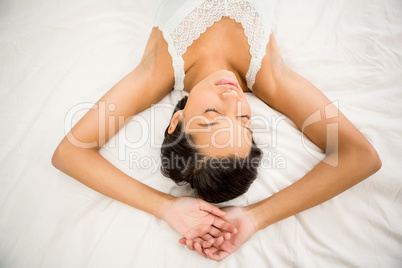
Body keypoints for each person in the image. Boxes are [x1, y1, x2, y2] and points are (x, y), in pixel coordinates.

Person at [51, 0, 382, 262]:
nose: (232, 97)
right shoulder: (270, 78)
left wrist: (165, 207)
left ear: (176, 122)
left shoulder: (156, 71)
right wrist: (255, 217)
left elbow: (71, 151)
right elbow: (360, 155)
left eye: (210, 116)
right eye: (243, 120)